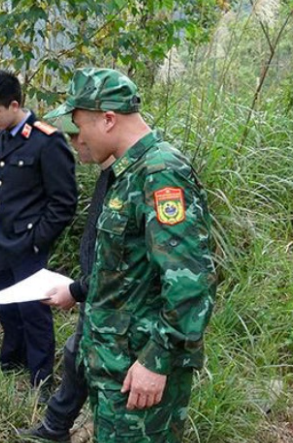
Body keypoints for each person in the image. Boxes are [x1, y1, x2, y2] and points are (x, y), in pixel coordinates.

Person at [44, 68, 216, 442]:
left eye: (79, 126)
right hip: (114, 365)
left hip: (140, 370)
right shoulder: (128, 172)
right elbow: (123, 270)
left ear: (108, 119)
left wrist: (156, 361)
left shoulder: (161, 173)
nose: (77, 138)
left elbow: (191, 281)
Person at [0, 70, 78, 392]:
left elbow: (64, 202)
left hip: (27, 242)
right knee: (5, 304)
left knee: (33, 311)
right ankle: (12, 358)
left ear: (15, 105)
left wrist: (36, 241)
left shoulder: (46, 141)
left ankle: (40, 376)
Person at [18, 115, 115, 441]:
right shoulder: (108, 172)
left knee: (96, 366)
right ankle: (55, 426)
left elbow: (125, 265)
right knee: (76, 354)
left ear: (107, 122)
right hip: (95, 294)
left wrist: (76, 289)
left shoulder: (138, 177)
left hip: (116, 307)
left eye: (77, 134)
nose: (75, 144)